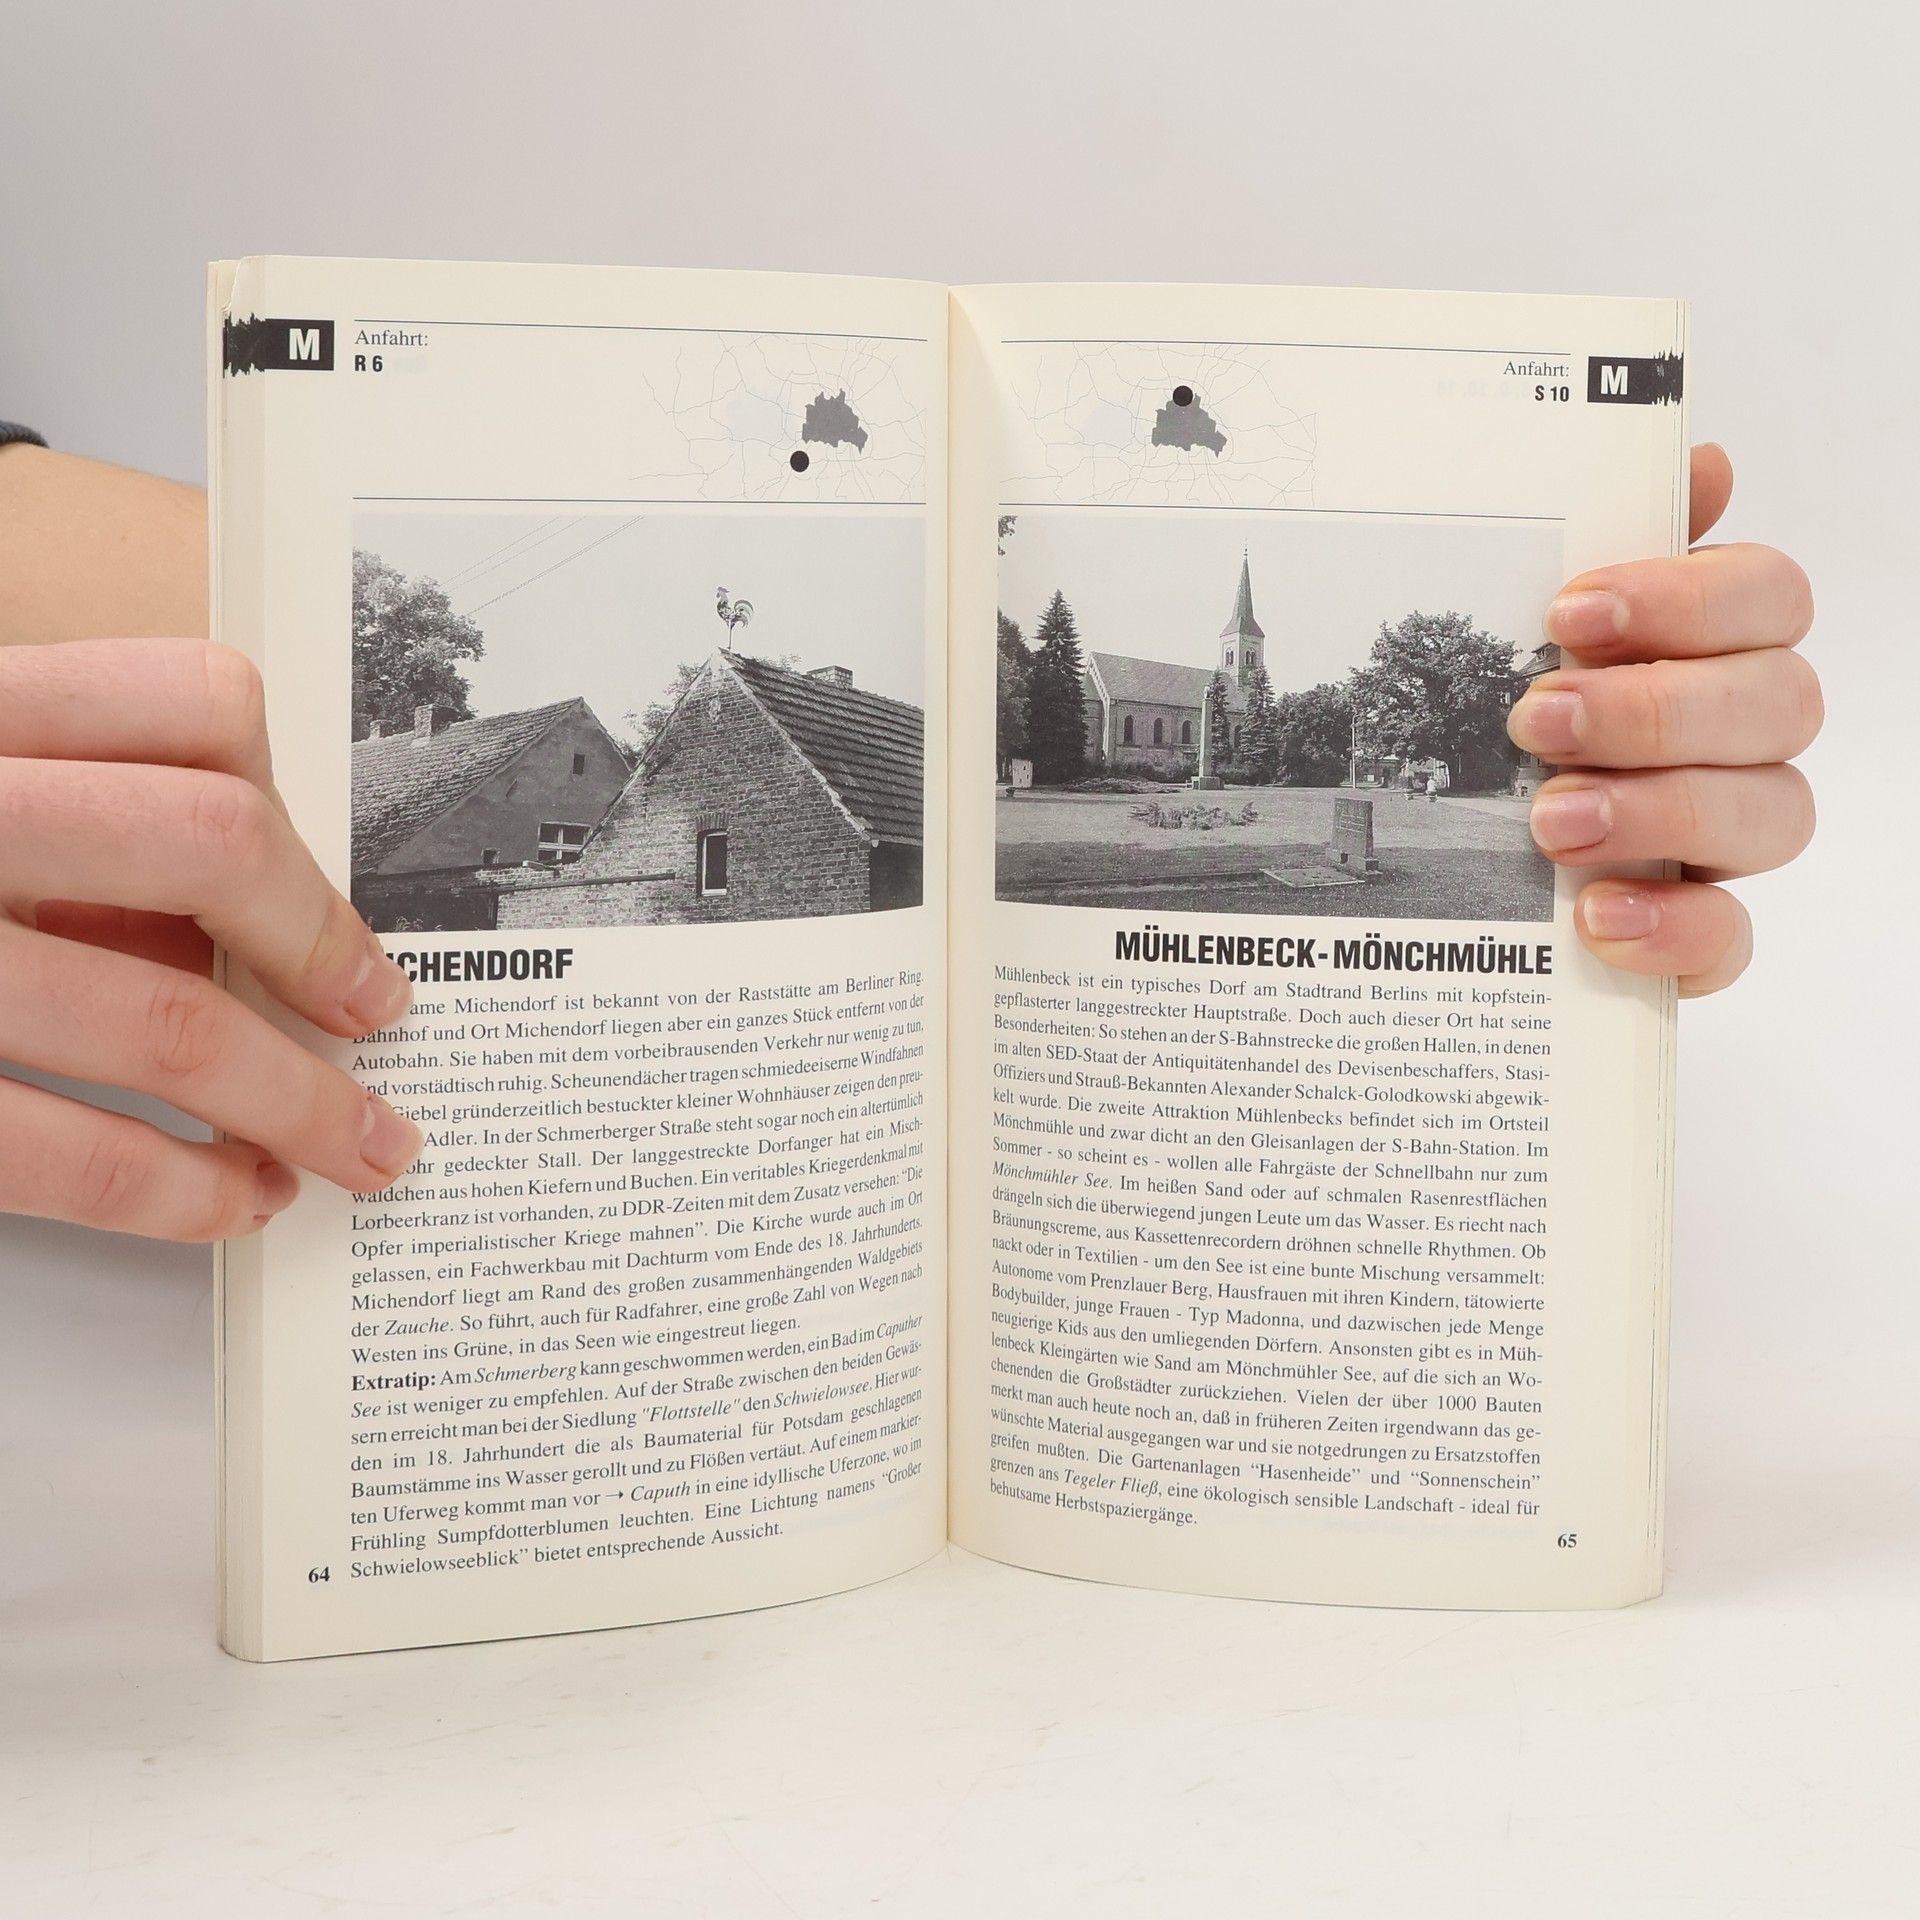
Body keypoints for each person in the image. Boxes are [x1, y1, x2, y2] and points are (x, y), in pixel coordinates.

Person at [0, 438, 1820, 1242]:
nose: (1240, 679)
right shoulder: (1086, 697)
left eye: (1247, 662)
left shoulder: (1184, 697)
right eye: (1238, 662)